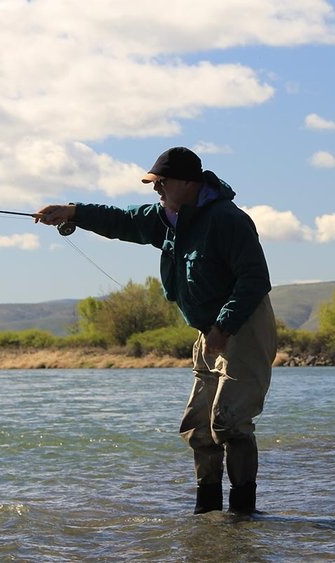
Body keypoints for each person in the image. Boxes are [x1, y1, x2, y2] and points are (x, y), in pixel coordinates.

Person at [35, 146, 277, 515]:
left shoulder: (228, 219)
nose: (155, 190)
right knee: (198, 427)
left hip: (242, 325)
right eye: (153, 184)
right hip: (208, 330)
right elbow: (122, 220)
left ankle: (244, 516)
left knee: (229, 424)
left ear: (186, 182)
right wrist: (72, 213)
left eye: (160, 182)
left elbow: (254, 279)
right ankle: (208, 516)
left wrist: (223, 327)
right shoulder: (167, 218)